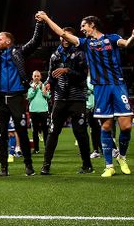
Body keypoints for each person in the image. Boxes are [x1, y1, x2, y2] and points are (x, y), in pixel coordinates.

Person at [38, 11, 134, 177]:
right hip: (100, 87)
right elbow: (61, 33)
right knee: (106, 126)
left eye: (83, 25)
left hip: (117, 85)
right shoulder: (85, 43)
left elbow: (126, 44)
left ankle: (121, 156)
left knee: (126, 126)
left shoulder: (112, 38)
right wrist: (46, 18)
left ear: (92, 25)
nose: (81, 28)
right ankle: (109, 166)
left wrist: (133, 37)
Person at [0, 14, 43, 176]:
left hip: (16, 98)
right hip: (0, 99)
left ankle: (28, 166)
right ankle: (3, 168)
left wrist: (39, 23)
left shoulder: (19, 52)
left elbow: (35, 42)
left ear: (8, 41)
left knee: (22, 132)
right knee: (2, 134)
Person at [39, 26, 93, 175]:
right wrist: (48, 84)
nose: (64, 39)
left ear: (72, 38)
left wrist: (68, 70)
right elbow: (51, 76)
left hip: (77, 99)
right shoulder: (55, 56)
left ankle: (87, 165)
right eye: (62, 36)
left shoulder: (80, 53)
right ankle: (46, 165)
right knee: (53, 132)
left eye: (67, 36)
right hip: (60, 99)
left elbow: (83, 76)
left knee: (80, 132)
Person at [27, 71, 50, 154]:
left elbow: (48, 96)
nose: (36, 77)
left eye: (38, 76)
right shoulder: (30, 86)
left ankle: (47, 148)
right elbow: (29, 96)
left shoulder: (44, 85)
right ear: (32, 77)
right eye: (35, 76)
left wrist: (44, 90)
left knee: (45, 131)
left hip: (43, 110)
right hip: (33, 111)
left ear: (40, 77)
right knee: (35, 131)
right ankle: (36, 149)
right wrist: (35, 88)